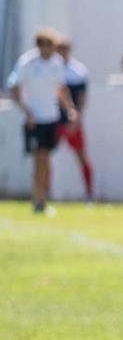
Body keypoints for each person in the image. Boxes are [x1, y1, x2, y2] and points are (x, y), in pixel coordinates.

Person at [8, 29, 78, 215]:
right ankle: (37, 199)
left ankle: (42, 198)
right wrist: (27, 113)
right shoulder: (28, 62)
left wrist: (70, 110)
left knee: (45, 159)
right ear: (39, 46)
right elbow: (14, 87)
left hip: (51, 117)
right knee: (39, 158)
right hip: (34, 120)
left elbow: (61, 89)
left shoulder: (56, 63)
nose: (48, 50)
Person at [55, 38, 93, 200]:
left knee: (81, 156)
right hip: (53, 119)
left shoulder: (78, 71)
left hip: (72, 121)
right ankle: (45, 193)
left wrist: (76, 119)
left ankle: (89, 193)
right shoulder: (51, 68)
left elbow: (82, 98)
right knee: (44, 157)